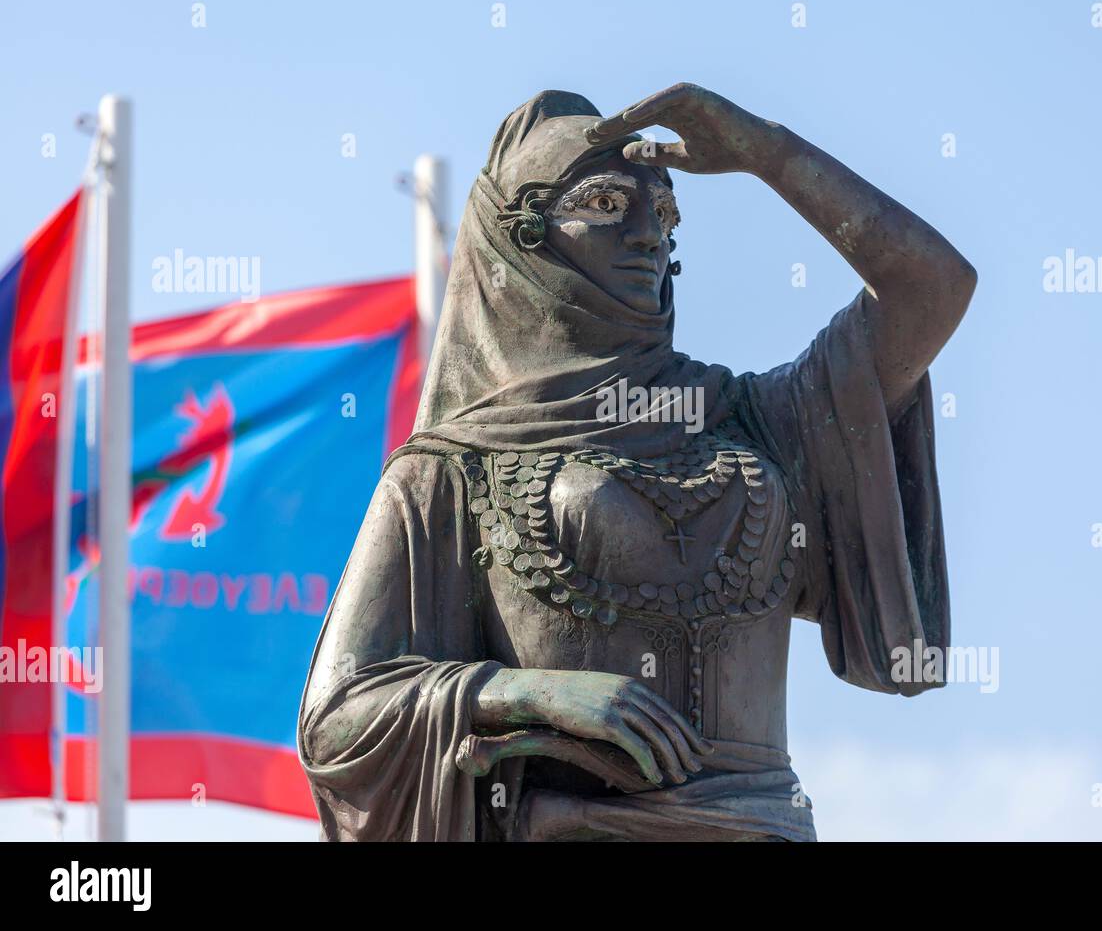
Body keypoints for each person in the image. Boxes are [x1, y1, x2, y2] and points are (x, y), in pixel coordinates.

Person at [298, 85, 976, 841]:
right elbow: (337, 718)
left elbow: (932, 288)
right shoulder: (445, 475)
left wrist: (764, 152)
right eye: (609, 203)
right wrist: (533, 694)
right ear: (521, 236)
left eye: (665, 214)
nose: (650, 234)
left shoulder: (762, 423)